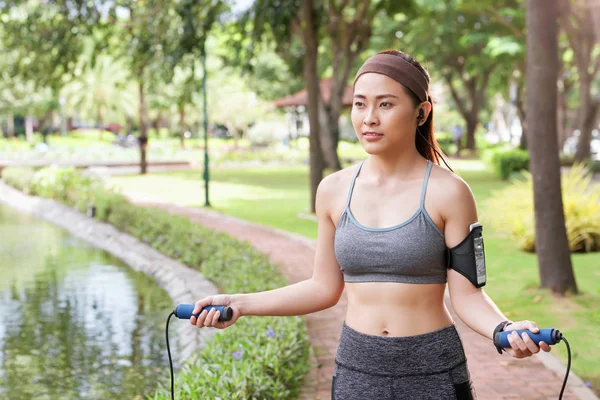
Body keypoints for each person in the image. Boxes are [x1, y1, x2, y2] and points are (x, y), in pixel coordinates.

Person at [189, 49, 551, 399]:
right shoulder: (332, 190)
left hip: (433, 370)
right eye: (360, 103)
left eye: (386, 104)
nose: (369, 118)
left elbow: (467, 295)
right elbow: (323, 287)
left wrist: (504, 329)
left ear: (421, 112)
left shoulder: (450, 193)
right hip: (357, 368)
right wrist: (239, 303)